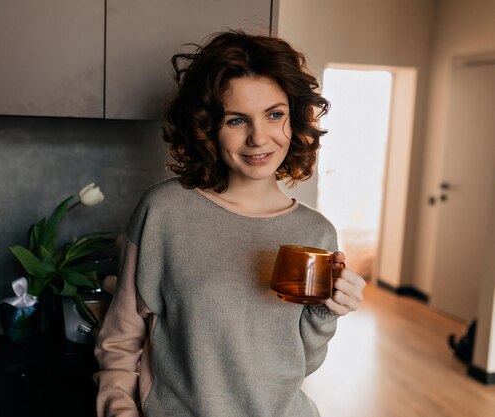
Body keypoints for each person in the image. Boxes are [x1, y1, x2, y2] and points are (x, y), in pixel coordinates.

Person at [94, 30, 366, 417]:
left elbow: (296, 365)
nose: (259, 138)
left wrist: (326, 312)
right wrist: (119, 410)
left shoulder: (316, 233)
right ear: (209, 128)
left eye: (275, 115)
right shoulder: (164, 210)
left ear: (295, 117)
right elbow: (120, 342)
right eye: (237, 120)